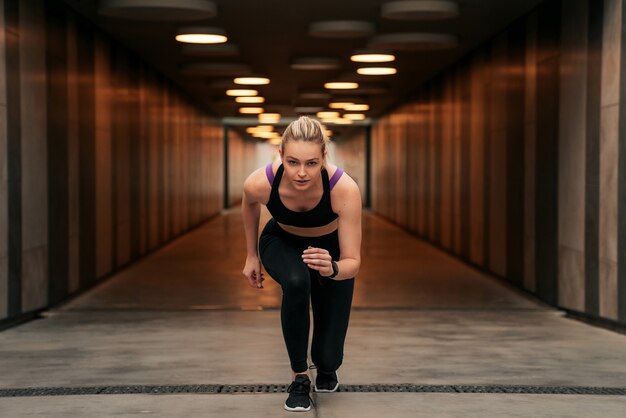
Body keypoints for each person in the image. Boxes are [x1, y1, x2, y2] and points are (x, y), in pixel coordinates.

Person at [241, 116, 362, 412]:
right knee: (297, 282)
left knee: (329, 357)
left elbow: (353, 262)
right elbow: (249, 202)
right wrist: (251, 255)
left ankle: (324, 365)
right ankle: (298, 377)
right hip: (281, 240)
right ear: (281, 155)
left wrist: (332, 268)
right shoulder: (260, 182)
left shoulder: (343, 189)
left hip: (330, 251)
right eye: (293, 162)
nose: (301, 173)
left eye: (311, 163)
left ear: (324, 157)